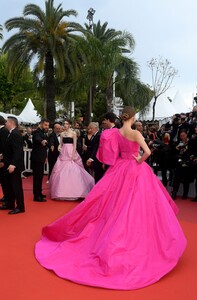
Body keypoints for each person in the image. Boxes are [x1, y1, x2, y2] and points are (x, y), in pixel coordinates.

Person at [35, 106, 186, 290]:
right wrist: (138, 160)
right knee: (136, 205)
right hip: (134, 168)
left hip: (118, 169)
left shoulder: (115, 133)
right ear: (133, 117)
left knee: (111, 203)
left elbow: (110, 155)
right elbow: (147, 152)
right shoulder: (136, 133)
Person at [49, 119, 94, 200]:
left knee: (73, 170)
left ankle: (75, 191)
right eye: (64, 124)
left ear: (69, 125)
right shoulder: (62, 134)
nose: (65, 125)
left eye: (66, 124)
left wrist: (73, 155)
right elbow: (61, 144)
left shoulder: (73, 133)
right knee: (60, 171)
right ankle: (62, 191)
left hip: (71, 152)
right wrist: (59, 147)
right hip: (63, 152)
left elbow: (75, 145)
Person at [0, 117, 25, 214]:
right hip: (9, 163)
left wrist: (13, 164)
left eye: (7, 122)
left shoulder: (15, 134)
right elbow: (10, 149)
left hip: (14, 165)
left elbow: (18, 151)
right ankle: (11, 204)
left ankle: (20, 207)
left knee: (16, 187)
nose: (5, 123)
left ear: (11, 123)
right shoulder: (12, 133)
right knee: (10, 186)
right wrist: (3, 155)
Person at [31, 119, 50, 202]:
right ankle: (36, 196)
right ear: (41, 124)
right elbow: (37, 138)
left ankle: (39, 193)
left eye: (48, 125)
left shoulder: (43, 132)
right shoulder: (36, 132)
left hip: (41, 158)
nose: (47, 127)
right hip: (36, 158)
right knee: (37, 177)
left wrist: (45, 157)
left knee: (40, 177)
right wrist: (42, 141)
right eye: (45, 125)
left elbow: (45, 146)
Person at [0, 116, 9, 203]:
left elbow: (4, 147)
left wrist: (2, 161)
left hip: (3, 160)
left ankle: (7, 197)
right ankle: (5, 196)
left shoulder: (3, 131)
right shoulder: (3, 131)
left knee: (4, 180)